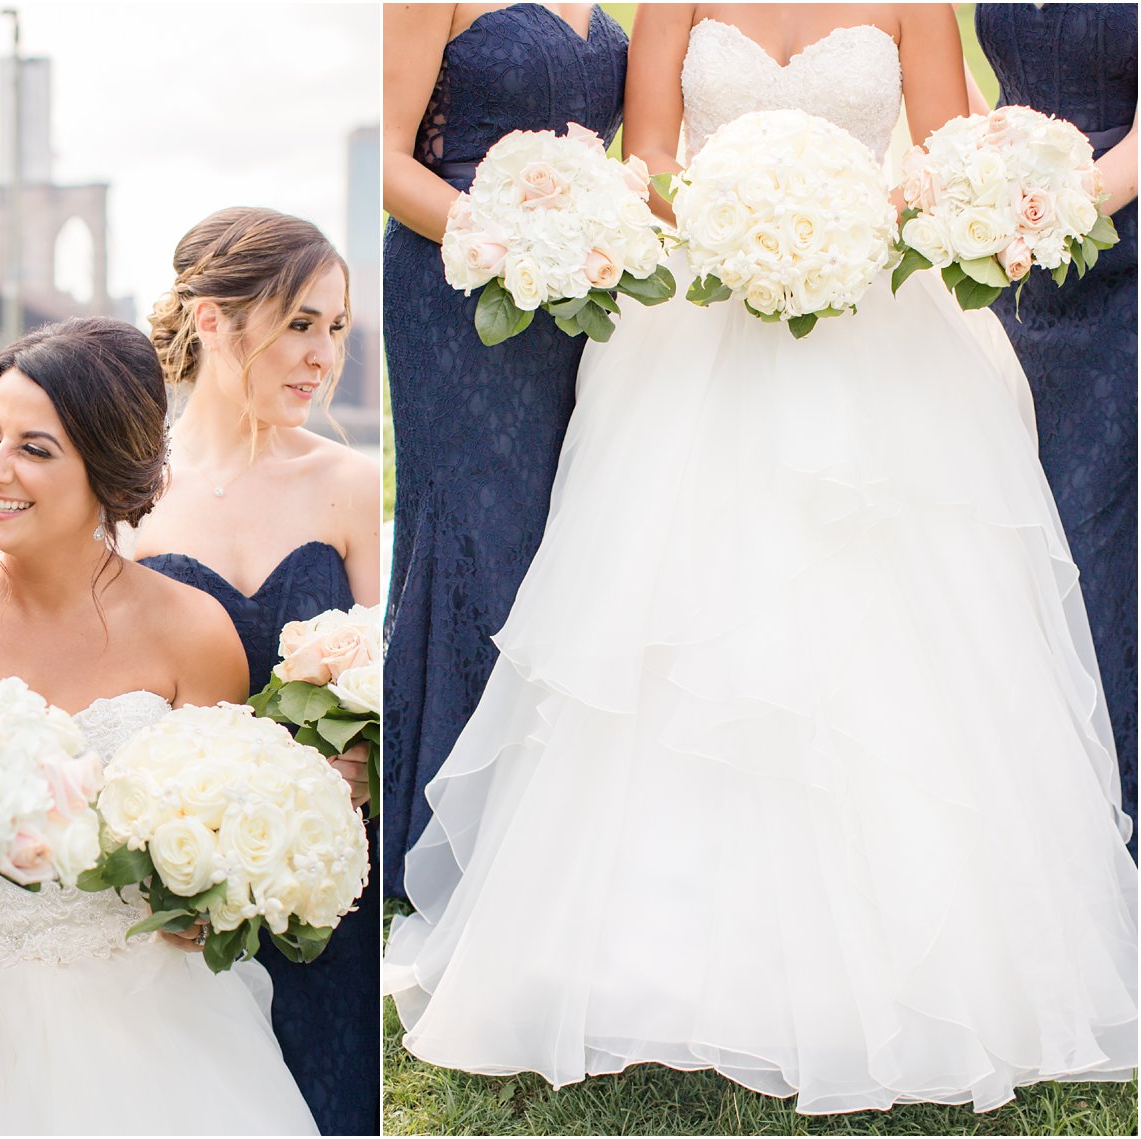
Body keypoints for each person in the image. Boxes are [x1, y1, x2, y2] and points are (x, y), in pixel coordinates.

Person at [383, 4, 1137, 1113]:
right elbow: (646, 148)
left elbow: (940, 153)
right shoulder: (671, 2)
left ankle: (916, 956)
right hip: (701, 313)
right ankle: (647, 957)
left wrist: (850, 216)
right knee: (675, 618)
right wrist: (722, 219)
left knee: (889, 624)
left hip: (876, 319)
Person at [0, 317, 316, 1135]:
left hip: (158, 1034)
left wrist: (209, 905)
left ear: (107, 466)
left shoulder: (191, 631)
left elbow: (229, 837)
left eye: (35, 449)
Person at [136, 206, 381, 1136]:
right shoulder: (123, 493)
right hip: (176, 889)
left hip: (324, 888)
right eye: (299, 324)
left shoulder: (348, 483)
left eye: (338, 329)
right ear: (212, 322)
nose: (323, 356)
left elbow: (386, 680)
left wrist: (366, 751)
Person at [381, 3, 629, 896]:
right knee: (478, 536)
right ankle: (450, 831)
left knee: (560, 541)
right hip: (458, 292)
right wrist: (505, 238)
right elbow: (385, 156)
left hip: (579, 303)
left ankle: (547, 827)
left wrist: (592, 238)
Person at [973, 2, 1138, 853]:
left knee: (1094, 544)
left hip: (1120, 277)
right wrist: (971, 174)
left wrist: (1048, 211)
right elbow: (981, 93)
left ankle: (1112, 832)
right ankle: (1032, 836)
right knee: (1008, 547)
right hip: (1012, 276)